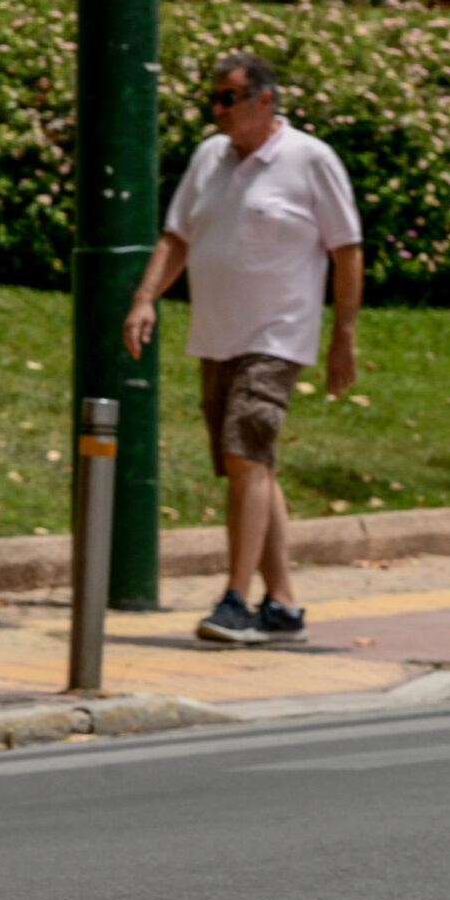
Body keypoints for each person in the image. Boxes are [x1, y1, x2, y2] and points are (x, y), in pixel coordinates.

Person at [123, 50, 364, 646]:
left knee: (246, 458)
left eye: (228, 98)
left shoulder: (311, 160)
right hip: (217, 336)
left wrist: (344, 338)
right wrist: (146, 297)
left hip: (276, 338)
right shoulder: (209, 158)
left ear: (265, 101)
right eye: (213, 98)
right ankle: (282, 604)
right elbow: (177, 236)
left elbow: (347, 249)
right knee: (250, 464)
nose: (218, 109)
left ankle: (235, 600)